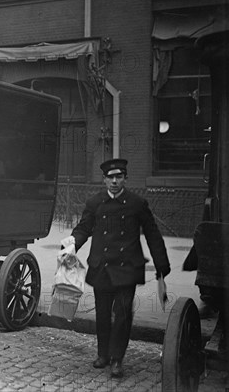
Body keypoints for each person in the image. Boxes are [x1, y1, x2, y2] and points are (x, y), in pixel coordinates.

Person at [65, 158, 170, 378]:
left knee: (122, 315)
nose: (114, 181)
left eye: (118, 177)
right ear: (104, 180)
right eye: (110, 177)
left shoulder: (137, 203)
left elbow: (152, 233)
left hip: (127, 268)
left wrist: (161, 264)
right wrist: (71, 244)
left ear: (125, 178)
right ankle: (103, 354)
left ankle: (117, 359)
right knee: (102, 314)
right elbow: (84, 228)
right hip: (101, 267)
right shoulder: (94, 203)